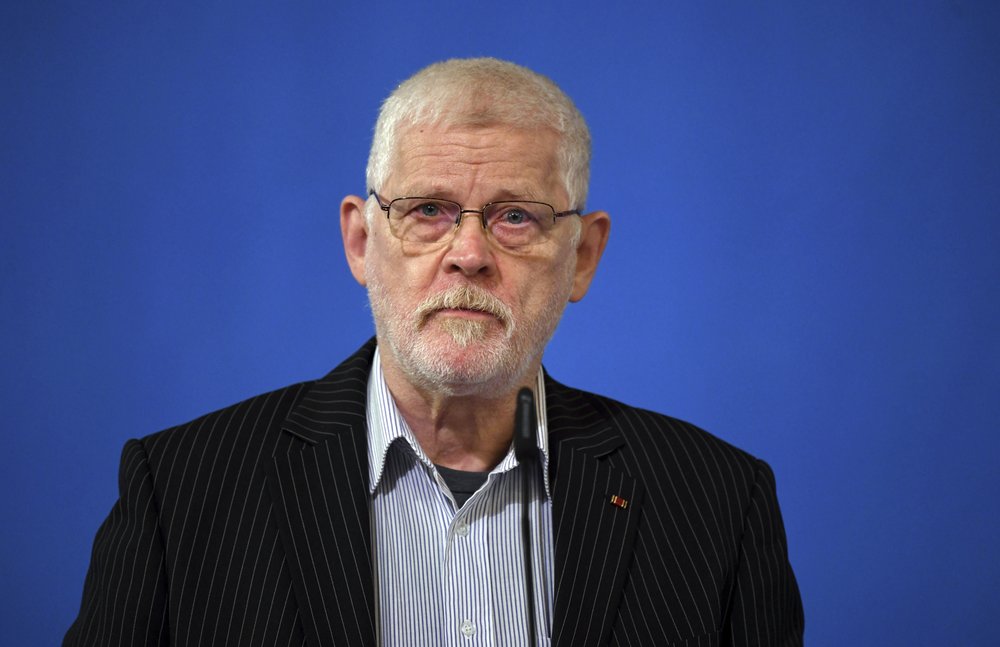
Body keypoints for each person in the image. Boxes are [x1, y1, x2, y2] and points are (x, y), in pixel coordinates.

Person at [65, 58, 803, 647]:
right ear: (361, 241)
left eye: (517, 216)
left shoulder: (718, 502)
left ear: (583, 257)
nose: (470, 254)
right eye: (428, 211)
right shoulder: (181, 491)